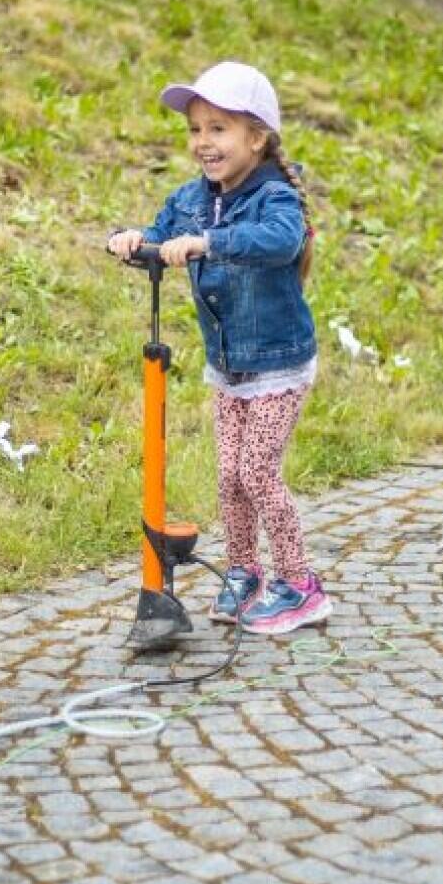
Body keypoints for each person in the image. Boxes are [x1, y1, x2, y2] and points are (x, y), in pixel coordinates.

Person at [107, 60, 329, 634]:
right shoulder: (189, 198)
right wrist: (135, 241)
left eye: (218, 129)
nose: (203, 142)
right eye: (195, 129)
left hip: (279, 362)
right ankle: (244, 571)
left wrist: (208, 243)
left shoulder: (274, 198)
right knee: (228, 474)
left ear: (256, 138)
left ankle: (300, 584)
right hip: (227, 365)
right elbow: (160, 235)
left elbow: (279, 242)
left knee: (257, 472)